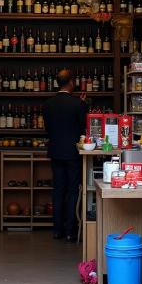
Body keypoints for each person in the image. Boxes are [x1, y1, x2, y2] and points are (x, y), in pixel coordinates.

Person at [43, 69, 88, 242]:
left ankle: (57, 230)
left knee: (58, 190)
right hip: (72, 152)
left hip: (55, 151)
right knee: (72, 191)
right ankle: (70, 231)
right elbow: (83, 127)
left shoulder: (48, 104)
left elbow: (48, 129)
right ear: (70, 83)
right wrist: (83, 105)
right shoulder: (77, 104)